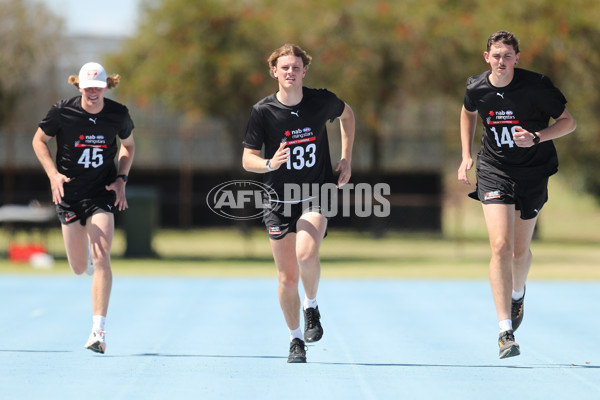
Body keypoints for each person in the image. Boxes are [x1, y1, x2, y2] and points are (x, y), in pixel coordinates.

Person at [458, 31, 576, 359]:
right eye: (496, 55)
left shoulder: (537, 85)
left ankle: (518, 293)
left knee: (520, 253)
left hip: (534, 172)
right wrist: (466, 155)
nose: (501, 62)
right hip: (494, 169)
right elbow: (468, 112)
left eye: (507, 56)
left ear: (517, 58)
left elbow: (569, 122)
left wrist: (537, 136)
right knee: (500, 246)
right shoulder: (476, 86)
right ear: (487, 58)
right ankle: (504, 331)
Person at [242, 44, 355, 363]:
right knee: (287, 277)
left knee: (307, 253)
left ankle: (312, 305)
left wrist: (346, 158)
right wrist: (269, 163)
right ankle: (295, 341)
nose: (290, 72)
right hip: (278, 199)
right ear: (273, 71)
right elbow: (247, 159)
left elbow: (348, 115)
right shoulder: (262, 111)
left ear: (304, 71)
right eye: (284, 67)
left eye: (295, 67)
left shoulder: (321, 101)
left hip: (317, 192)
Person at [32, 62, 135, 354]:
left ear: (106, 87)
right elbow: (39, 140)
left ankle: (98, 331)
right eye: (88, 88)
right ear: (79, 87)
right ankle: (87, 262)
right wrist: (53, 174)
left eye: (98, 88)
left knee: (103, 258)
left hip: (101, 193)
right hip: (68, 193)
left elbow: (128, 146)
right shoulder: (62, 111)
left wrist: (121, 179)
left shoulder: (118, 114)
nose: (93, 93)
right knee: (79, 267)